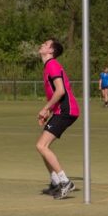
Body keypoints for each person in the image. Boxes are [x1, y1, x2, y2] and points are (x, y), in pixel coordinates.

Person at [36, 39, 79, 200]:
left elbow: (60, 91)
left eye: (45, 44)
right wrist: (48, 111)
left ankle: (65, 181)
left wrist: (46, 108)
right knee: (42, 146)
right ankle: (55, 182)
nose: (42, 45)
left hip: (66, 110)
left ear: (51, 51)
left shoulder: (52, 64)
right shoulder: (48, 66)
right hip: (61, 110)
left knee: (42, 145)